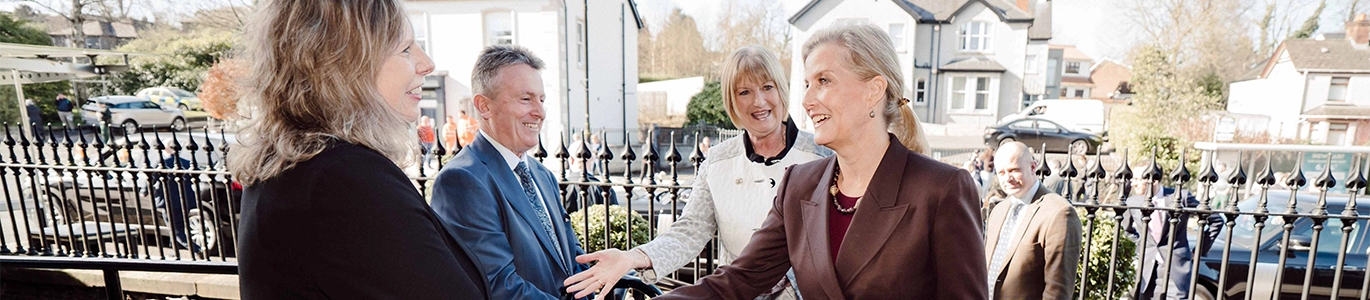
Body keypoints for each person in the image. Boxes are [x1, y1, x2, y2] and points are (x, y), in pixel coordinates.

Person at [653, 24, 986, 299]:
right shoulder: (799, 185)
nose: (807, 100)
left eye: (824, 81)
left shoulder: (941, 189)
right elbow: (738, 280)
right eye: (808, 84)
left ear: (873, 91)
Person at [231, 0, 486, 298]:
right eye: (405, 49)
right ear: (345, 65)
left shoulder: (296, 166)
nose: (426, 62)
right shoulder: (343, 180)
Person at [564, 46, 829, 300]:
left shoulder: (822, 155)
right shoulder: (717, 161)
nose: (759, 101)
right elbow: (689, 232)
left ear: (781, 89)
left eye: (767, 87)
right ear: (731, 100)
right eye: (744, 92)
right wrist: (634, 257)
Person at [430, 45, 587, 299]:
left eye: (542, 99)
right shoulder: (461, 180)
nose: (540, 112)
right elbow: (498, 286)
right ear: (483, 106)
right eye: (526, 99)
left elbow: (572, 259)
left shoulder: (542, 175)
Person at [983, 142, 1082, 300]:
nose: (1007, 178)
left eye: (1014, 170)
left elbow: (1058, 290)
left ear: (1033, 167)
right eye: (1001, 172)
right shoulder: (998, 210)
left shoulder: (1059, 213)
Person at [1121, 168, 1224, 300]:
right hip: (1146, 273)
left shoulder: (1181, 197)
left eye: (1138, 179)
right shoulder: (1132, 202)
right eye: (1133, 179)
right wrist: (1141, 246)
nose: (1133, 184)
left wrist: (1199, 250)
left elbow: (1216, 220)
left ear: (1155, 179)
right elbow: (1126, 231)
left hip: (1175, 273)